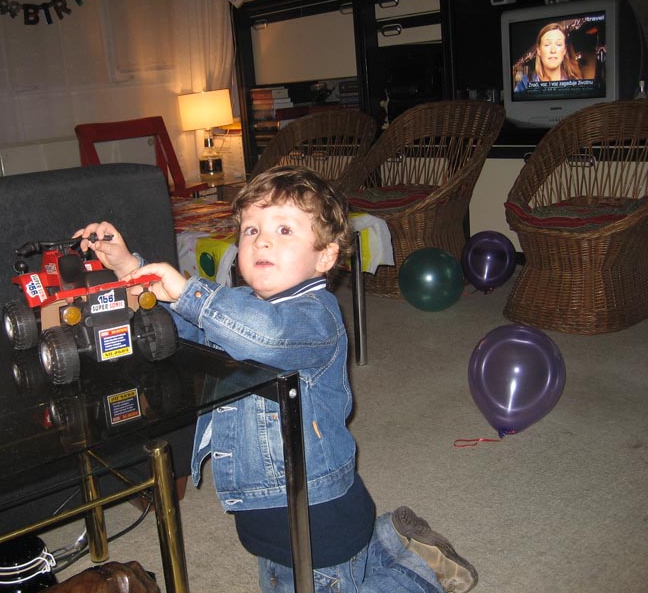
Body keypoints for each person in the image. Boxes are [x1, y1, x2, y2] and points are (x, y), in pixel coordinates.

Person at [75, 166, 477, 593]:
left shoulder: (316, 318)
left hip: (319, 526)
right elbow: (190, 331)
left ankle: (421, 573)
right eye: (251, 230)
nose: (262, 240)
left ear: (325, 257)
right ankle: (389, 538)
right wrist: (130, 268)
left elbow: (266, 334)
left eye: (284, 230)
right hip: (269, 518)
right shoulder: (237, 307)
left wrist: (192, 293)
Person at [514, 22, 582, 92]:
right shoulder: (524, 85)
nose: (553, 50)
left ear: (564, 50)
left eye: (558, 44)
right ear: (539, 50)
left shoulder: (576, 84)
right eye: (547, 44)